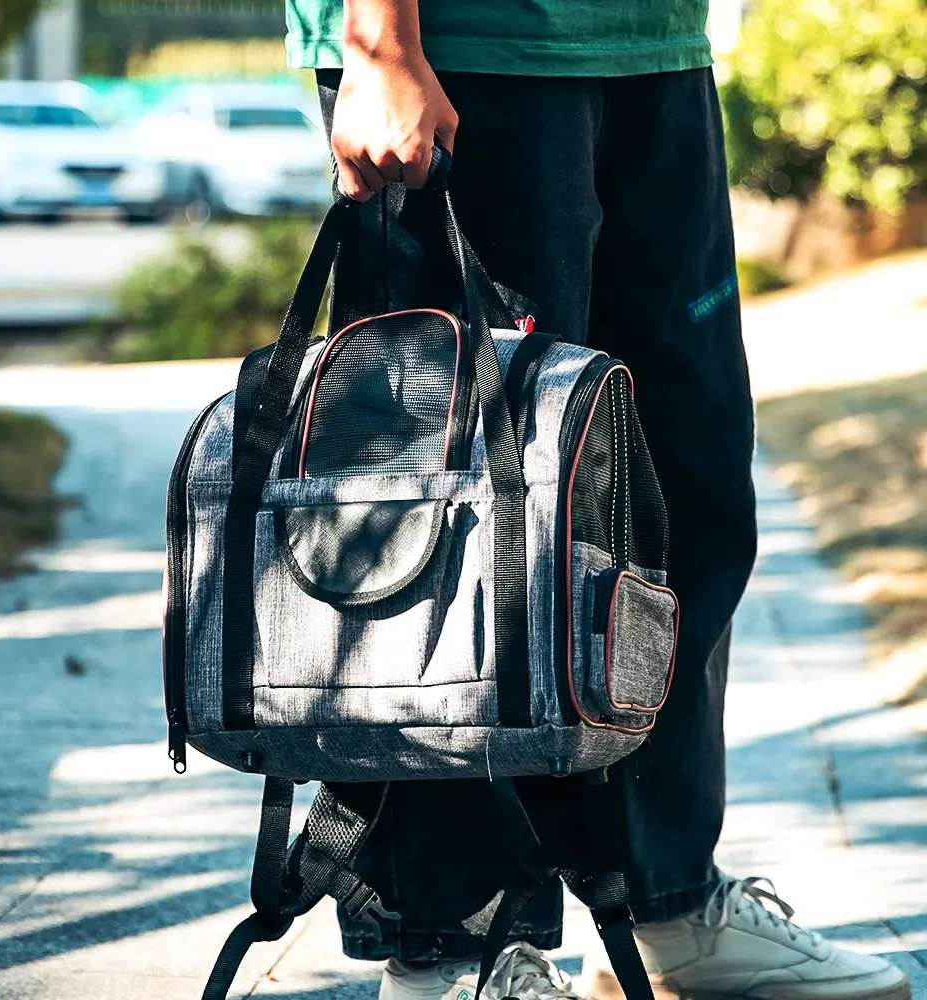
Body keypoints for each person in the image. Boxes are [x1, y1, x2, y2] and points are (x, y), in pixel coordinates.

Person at [283, 2, 912, 999]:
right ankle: (453, 942)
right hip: (462, 51)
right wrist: (379, 44)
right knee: (458, 522)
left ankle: (665, 895)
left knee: (681, 489)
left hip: (651, 46)